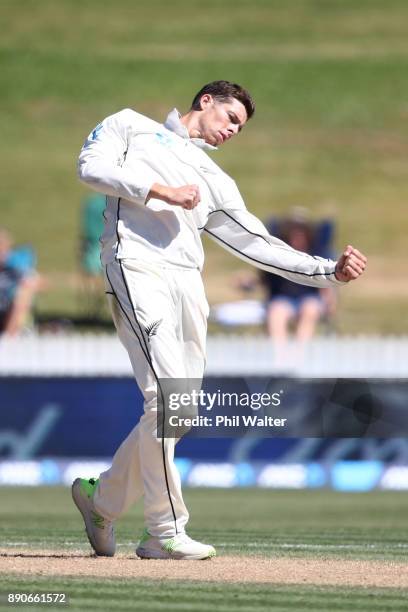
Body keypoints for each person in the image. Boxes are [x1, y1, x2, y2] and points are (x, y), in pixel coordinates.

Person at [72, 80, 367, 560]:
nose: (233, 130)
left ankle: (100, 500)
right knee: (168, 402)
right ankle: (164, 532)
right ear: (205, 101)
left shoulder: (214, 178)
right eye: (231, 118)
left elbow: (259, 244)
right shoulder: (131, 126)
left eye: (241, 128)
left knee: (178, 411)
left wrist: (328, 271)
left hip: (189, 284)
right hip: (136, 266)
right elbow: (92, 168)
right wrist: (160, 190)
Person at [260, 209, 337, 340]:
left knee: (310, 309)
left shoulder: (315, 255)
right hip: (283, 298)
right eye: (293, 234)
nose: (297, 237)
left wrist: (329, 299)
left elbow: (325, 281)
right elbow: (265, 278)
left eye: (301, 233)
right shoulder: (280, 255)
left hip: (308, 296)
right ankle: (279, 357)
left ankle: (300, 355)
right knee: (277, 313)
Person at [0, 229, 40, 336]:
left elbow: (36, 281)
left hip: (11, 313)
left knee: (23, 294)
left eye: (3, 249)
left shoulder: (16, 266)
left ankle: (9, 340)